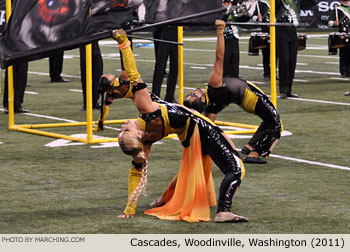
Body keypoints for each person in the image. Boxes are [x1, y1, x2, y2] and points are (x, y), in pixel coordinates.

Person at [96, 21, 248, 223]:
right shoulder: (147, 110)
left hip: (191, 134)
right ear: (138, 135)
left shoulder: (144, 144)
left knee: (193, 170)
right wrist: (123, 43)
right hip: (201, 129)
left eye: (120, 130)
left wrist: (130, 208)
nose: (123, 125)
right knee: (237, 169)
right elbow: (133, 73)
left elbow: (136, 171)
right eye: (126, 129)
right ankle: (223, 212)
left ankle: (163, 199)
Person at [275, 0, 317, 99]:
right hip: (281, 30)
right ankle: (283, 90)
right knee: (284, 61)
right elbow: (275, 5)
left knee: (292, 62)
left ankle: (289, 89)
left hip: (293, 31)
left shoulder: (296, 2)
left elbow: (311, 3)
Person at [151, 25, 178, 103]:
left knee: (175, 66)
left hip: (176, 30)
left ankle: (170, 96)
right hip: (163, 30)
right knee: (160, 65)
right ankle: (155, 94)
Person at [328, 0, 350, 78]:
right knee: (344, 53)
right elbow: (329, 21)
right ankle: (344, 72)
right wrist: (334, 23)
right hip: (343, 33)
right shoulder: (338, 9)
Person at [252, 0, 273, 81]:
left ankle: (274, 72)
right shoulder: (261, 3)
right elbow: (252, 17)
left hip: (277, 29)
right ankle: (267, 73)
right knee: (266, 53)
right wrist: (257, 17)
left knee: (276, 53)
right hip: (265, 30)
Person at [79, 41, 103, 111]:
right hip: (85, 50)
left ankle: (95, 102)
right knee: (86, 78)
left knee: (98, 76)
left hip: (96, 50)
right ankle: (86, 103)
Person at [222, 0, 240, 78]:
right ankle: (226, 75)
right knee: (226, 57)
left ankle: (235, 74)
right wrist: (229, 9)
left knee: (235, 57)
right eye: (227, 2)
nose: (228, 4)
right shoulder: (220, 10)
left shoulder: (234, 9)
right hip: (225, 36)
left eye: (229, 2)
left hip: (235, 35)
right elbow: (222, 18)